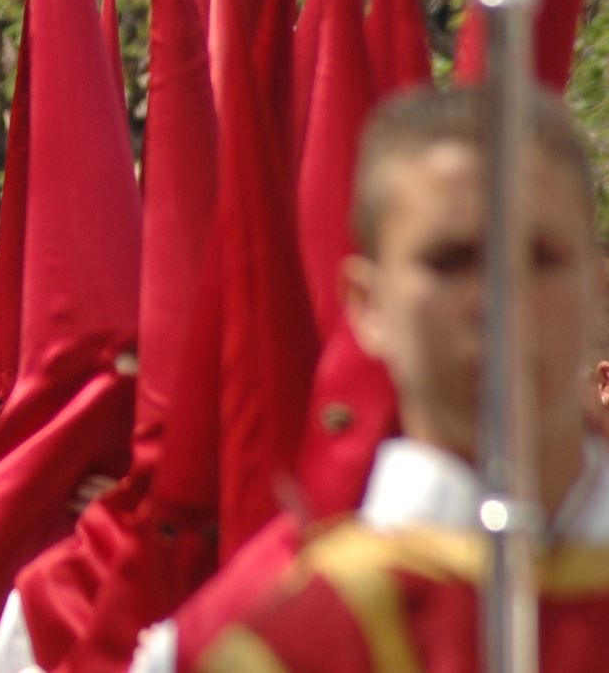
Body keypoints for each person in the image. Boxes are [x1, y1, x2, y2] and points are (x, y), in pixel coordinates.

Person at [192, 87, 609, 671]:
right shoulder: (291, 645)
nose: (499, 299)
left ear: (599, 289)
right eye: (451, 260)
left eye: (540, 257)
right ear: (368, 304)